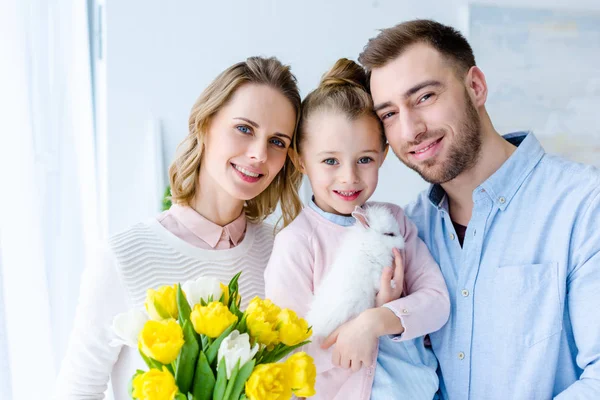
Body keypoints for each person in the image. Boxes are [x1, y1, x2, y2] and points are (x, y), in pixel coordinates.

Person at [359, 19, 600, 399]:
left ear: (476, 86)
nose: (410, 130)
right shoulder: (405, 231)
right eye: (389, 114)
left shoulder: (584, 204)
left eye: (424, 97)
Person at [54, 56, 303, 399]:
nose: (259, 154)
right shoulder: (123, 257)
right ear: (205, 125)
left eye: (278, 141)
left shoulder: (284, 250)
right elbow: (78, 391)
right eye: (244, 129)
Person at [264, 58, 450, 400]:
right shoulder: (297, 242)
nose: (349, 177)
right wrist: (353, 333)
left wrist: (379, 319)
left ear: (383, 154)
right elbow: (288, 349)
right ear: (300, 160)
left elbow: (437, 302)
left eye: (364, 159)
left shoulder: (393, 223)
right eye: (330, 161)